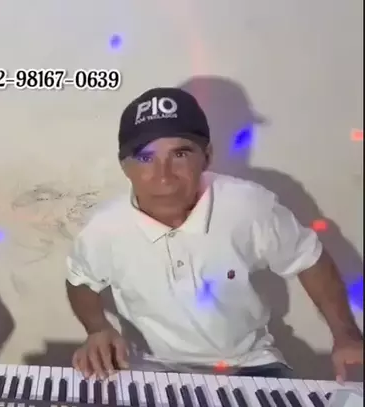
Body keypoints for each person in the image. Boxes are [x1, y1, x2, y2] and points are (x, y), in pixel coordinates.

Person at [66, 87, 364, 382]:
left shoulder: (247, 205)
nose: (164, 175)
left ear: (206, 157)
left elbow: (309, 259)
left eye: (180, 154)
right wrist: (98, 328)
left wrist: (347, 337)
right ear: (124, 166)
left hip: (247, 365)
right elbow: (80, 279)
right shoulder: (105, 227)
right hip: (152, 368)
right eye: (146, 158)